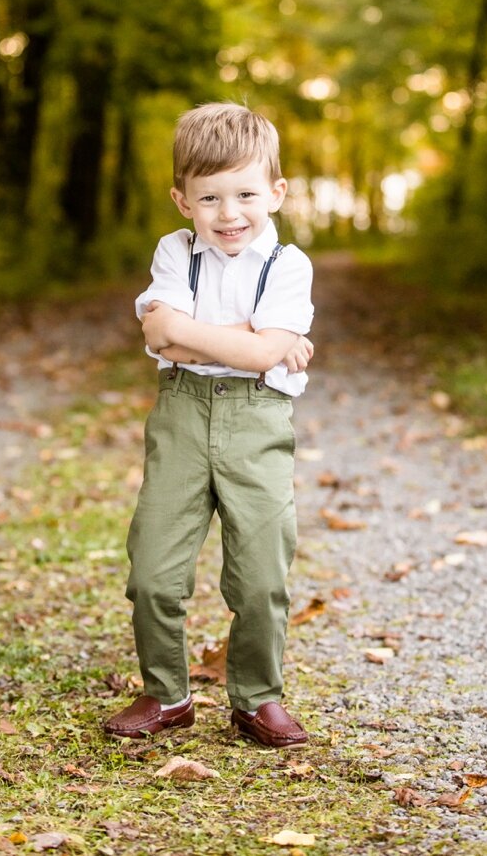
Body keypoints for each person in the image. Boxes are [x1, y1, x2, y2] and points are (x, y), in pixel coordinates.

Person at [103, 101, 318, 749]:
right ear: (182, 200)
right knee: (152, 570)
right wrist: (250, 337)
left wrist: (199, 338)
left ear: (276, 193)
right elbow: (161, 336)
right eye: (209, 198)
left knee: (259, 573)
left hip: (257, 419)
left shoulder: (289, 266)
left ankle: (257, 697)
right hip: (182, 415)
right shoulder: (175, 252)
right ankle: (166, 694)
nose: (229, 214)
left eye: (246, 194)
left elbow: (226, 349)